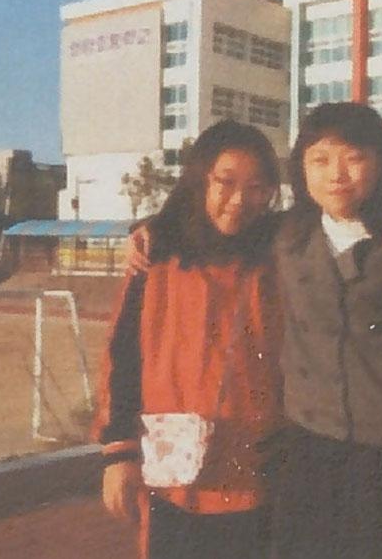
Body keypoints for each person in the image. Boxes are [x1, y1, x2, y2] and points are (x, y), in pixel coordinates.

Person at [94, 120, 284, 559]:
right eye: (225, 182)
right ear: (200, 180)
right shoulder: (157, 258)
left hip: (256, 474)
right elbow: (123, 359)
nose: (239, 200)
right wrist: (119, 453)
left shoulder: (282, 256)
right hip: (172, 477)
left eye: (256, 187)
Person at [271, 102, 382, 558]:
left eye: (353, 158)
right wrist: (148, 229)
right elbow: (216, 224)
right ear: (301, 169)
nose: (337, 174)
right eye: (320, 159)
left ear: (380, 164)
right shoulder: (285, 238)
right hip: (307, 444)